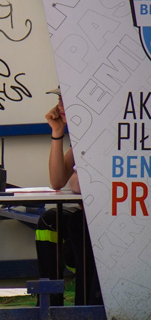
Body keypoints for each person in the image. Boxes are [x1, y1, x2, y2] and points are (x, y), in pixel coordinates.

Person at [35, 88, 103, 307]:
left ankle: (85, 305)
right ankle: (50, 303)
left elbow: (78, 183)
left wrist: (76, 176)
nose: (61, 107)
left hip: (109, 217)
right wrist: (57, 133)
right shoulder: (80, 136)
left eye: (67, 100)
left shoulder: (100, 130)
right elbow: (57, 181)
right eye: (59, 100)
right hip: (88, 215)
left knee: (77, 223)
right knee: (48, 221)